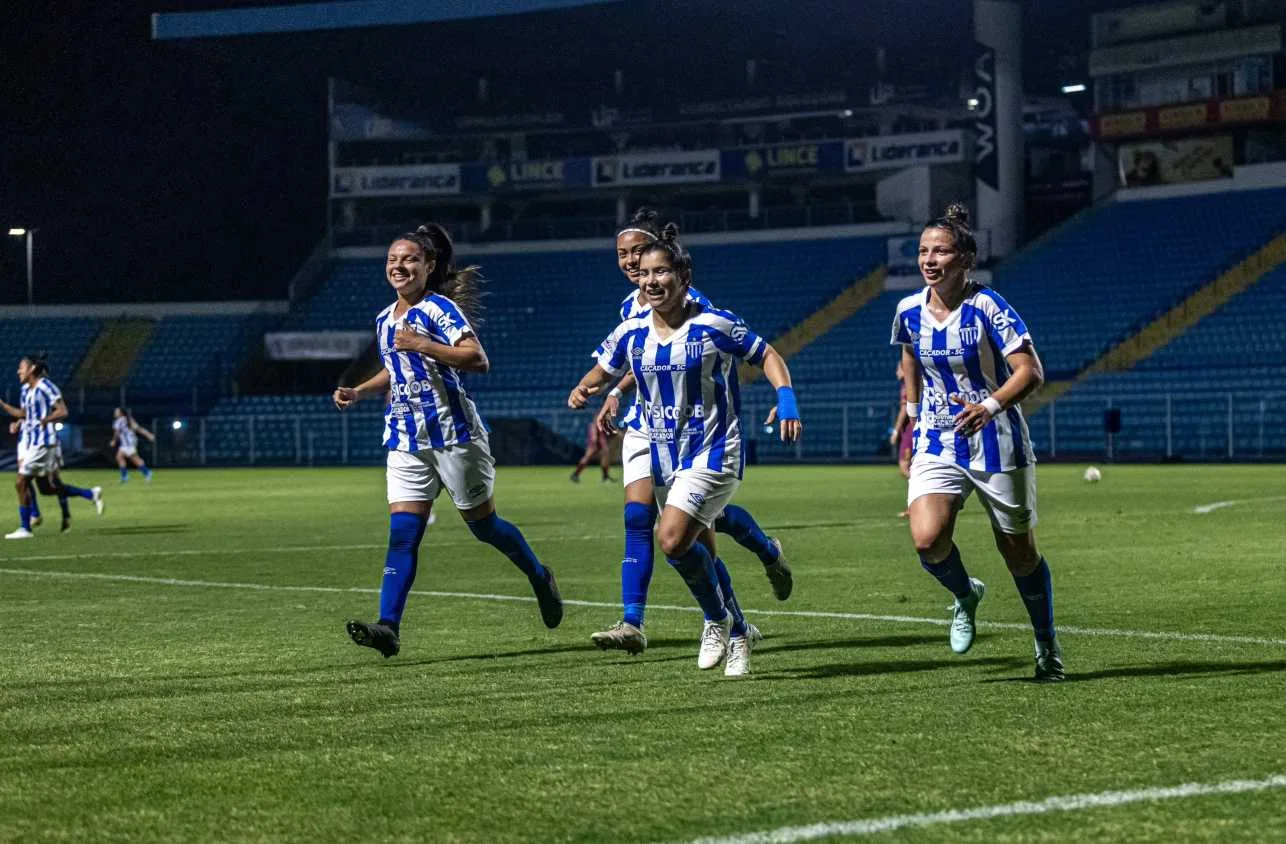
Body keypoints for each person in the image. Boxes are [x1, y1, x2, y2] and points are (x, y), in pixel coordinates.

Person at [570, 224, 802, 676]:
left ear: (683, 278)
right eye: (644, 272)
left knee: (672, 537)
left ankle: (718, 619)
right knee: (683, 543)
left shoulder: (714, 323)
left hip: (714, 450)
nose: (649, 278)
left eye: (660, 271)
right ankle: (727, 623)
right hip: (662, 447)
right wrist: (588, 389)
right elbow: (604, 368)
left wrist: (786, 398)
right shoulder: (631, 328)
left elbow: (767, 354)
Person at [333, 223, 562, 658]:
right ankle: (388, 627)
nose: (399, 267)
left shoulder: (439, 310)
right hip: (406, 439)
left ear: (429, 266)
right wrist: (360, 390)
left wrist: (422, 343)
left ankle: (538, 575)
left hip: (454, 435)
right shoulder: (385, 319)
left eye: (410, 260)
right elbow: (394, 369)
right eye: (392, 260)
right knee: (402, 535)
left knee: (485, 528)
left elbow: (478, 359)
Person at [890, 203, 1063, 681]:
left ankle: (1046, 643)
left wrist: (988, 407)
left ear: (964, 258)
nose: (928, 260)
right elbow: (909, 356)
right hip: (938, 441)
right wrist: (910, 417)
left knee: (1019, 554)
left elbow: (1031, 372)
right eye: (923, 251)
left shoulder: (988, 306)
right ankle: (966, 594)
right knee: (927, 540)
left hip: (996, 440)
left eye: (940, 251)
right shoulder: (907, 310)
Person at [2, 354, 103, 539]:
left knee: (21, 481)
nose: (18, 371)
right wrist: (10, 414)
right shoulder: (26, 389)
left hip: (43, 442)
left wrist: (45, 420)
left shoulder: (46, 387)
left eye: (21, 367)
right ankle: (89, 493)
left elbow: (63, 410)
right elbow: (25, 413)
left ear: (32, 369)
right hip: (31, 441)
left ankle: (26, 527)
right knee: (46, 489)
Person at [889, 359, 915, 518]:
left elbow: (904, 409)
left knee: (905, 467)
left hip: (910, 431)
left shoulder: (908, 386)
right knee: (908, 468)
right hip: (909, 430)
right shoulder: (907, 385)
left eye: (898, 369)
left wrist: (895, 431)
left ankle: (924, 498)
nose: (896, 372)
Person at [569, 408, 616, 483]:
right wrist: (595, 437)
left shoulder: (604, 413)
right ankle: (605, 477)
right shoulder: (603, 413)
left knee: (592, 456)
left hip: (598, 437)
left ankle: (575, 474)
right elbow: (595, 425)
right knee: (601, 454)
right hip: (598, 438)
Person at [111, 407, 155, 483]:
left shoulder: (119, 421)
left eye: (116, 412)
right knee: (120, 457)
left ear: (121, 413)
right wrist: (148, 435)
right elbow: (139, 429)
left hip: (128, 444)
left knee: (135, 459)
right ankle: (125, 476)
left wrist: (114, 441)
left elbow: (117, 433)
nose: (115, 413)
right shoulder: (129, 419)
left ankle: (146, 473)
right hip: (130, 443)